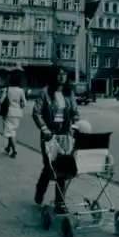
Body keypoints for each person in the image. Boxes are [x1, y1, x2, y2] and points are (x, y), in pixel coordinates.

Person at [32, 67, 80, 213]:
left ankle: (60, 202)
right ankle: (40, 191)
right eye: (59, 74)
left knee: (62, 167)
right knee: (49, 167)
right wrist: (44, 129)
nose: (61, 77)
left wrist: (76, 126)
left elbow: (75, 112)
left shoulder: (69, 93)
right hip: (49, 135)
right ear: (54, 77)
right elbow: (37, 112)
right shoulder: (45, 92)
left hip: (64, 135)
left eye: (64, 74)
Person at [1, 71, 27, 158]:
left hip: (9, 113)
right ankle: (8, 148)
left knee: (10, 132)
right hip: (18, 113)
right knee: (12, 131)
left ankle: (14, 150)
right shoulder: (21, 90)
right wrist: (19, 106)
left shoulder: (6, 89)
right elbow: (24, 103)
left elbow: (1, 101)